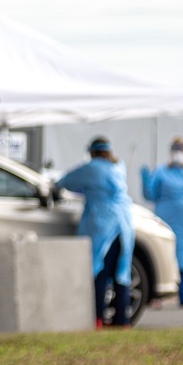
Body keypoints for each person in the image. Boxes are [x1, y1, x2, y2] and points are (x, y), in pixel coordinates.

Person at [55, 137, 136, 328]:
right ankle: (122, 321)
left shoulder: (91, 168)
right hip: (124, 224)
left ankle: (97, 319)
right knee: (121, 273)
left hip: (103, 225)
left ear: (92, 151)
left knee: (99, 272)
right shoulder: (118, 167)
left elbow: (65, 181)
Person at [141, 136, 183, 309]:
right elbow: (150, 195)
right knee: (162, 255)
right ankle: (156, 296)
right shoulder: (161, 172)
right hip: (166, 221)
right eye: (175, 150)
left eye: (180, 150)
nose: (178, 153)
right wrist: (145, 181)